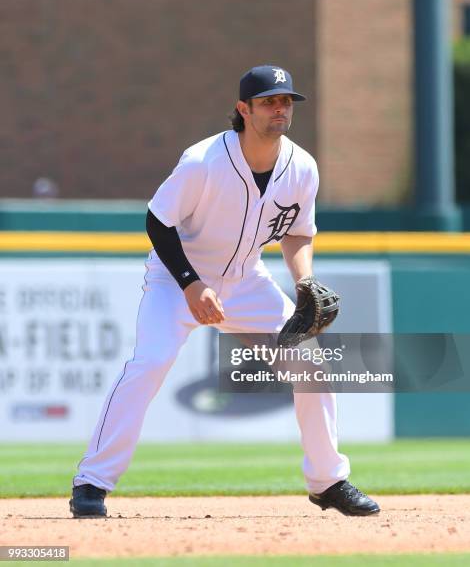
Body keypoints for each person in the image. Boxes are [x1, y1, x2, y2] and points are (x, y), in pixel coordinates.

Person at [70, 65, 380, 518]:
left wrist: (304, 282)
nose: (280, 109)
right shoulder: (204, 161)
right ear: (243, 109)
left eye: (286, 101)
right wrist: (191, 284)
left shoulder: (302, 167)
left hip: (246, 281)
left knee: (311, 364)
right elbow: (158, 220)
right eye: (269, 101)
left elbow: (298, 233)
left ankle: (327, 481)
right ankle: (92, 482)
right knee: (149, 364)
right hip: (176, 281)